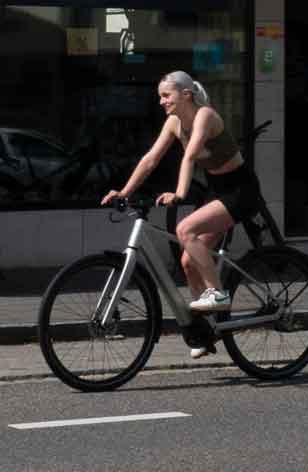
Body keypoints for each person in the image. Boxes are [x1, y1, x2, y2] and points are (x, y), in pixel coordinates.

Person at [101, 71, 262, 359]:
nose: (161, 101)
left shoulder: (205, 116)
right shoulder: (174, 122)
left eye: (166, 95)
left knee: (185, 230)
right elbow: (150, 159)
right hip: (218, 190)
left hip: (240, 190)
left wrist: (179, 193)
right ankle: (206, 329)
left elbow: (189, 156)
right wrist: (124, 192)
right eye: (160, 96)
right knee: (188, 261)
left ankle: (218, 293)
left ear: (186, 94)